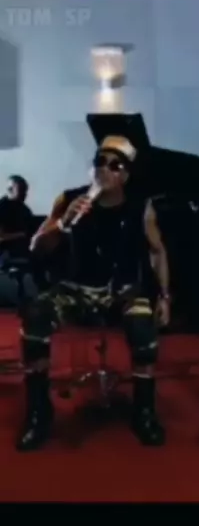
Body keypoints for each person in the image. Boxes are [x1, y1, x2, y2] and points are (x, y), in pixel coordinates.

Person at [18, 135, 170, 451]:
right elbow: (36, 247)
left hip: (121, 291)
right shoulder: (69, 199)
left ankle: (144, 412)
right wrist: (62, 224)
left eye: (115, 165)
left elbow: (157, 252)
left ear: (125, 175)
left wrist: (165, 296)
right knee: (35, 315)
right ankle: (39, 413)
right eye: (100, 161)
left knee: (142, 325)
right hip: (74, 289)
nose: (105, 169)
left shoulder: (140, 207)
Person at [0, 175, 35, 304]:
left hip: (24, 249)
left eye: (25, 191)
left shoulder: (25, 211)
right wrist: (20, 235)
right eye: (21, 190)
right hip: (5, 251)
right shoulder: (2, 208)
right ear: (10, 189)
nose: (24, 194)